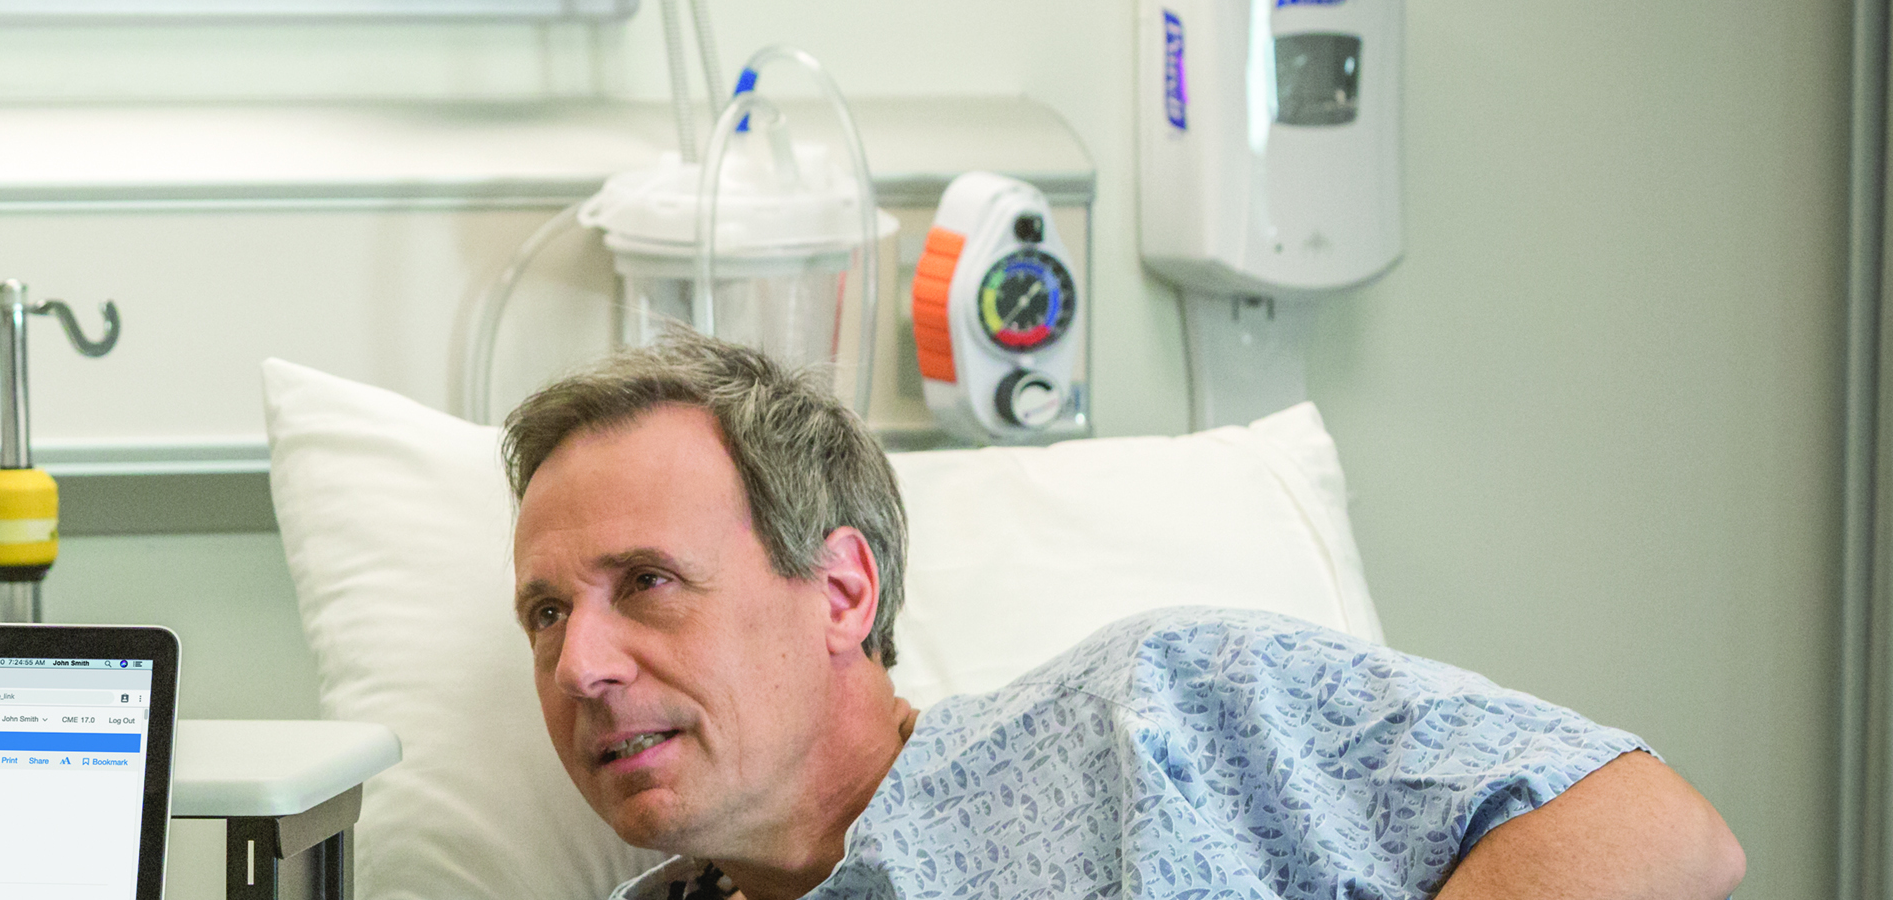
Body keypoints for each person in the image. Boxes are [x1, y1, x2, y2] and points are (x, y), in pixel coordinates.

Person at [499, 334, 1749, 899]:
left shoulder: (1164, 708)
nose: (581, 665)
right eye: (546, 615)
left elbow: (1647, 831)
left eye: (647, 584)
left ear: (840, 591)